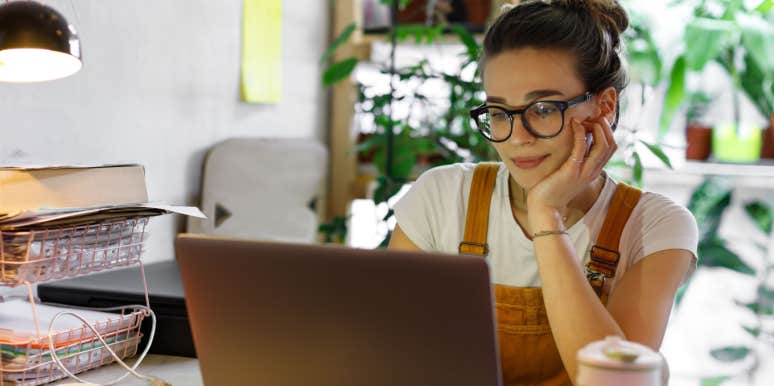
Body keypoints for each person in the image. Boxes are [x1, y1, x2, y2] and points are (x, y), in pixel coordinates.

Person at [388, 1, 698, 385]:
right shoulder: (442, 196)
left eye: (543, 108)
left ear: (603, 106)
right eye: (500, 113)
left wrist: (546, 216)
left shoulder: (655, 226)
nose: (517, 137)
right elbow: (386, 352)